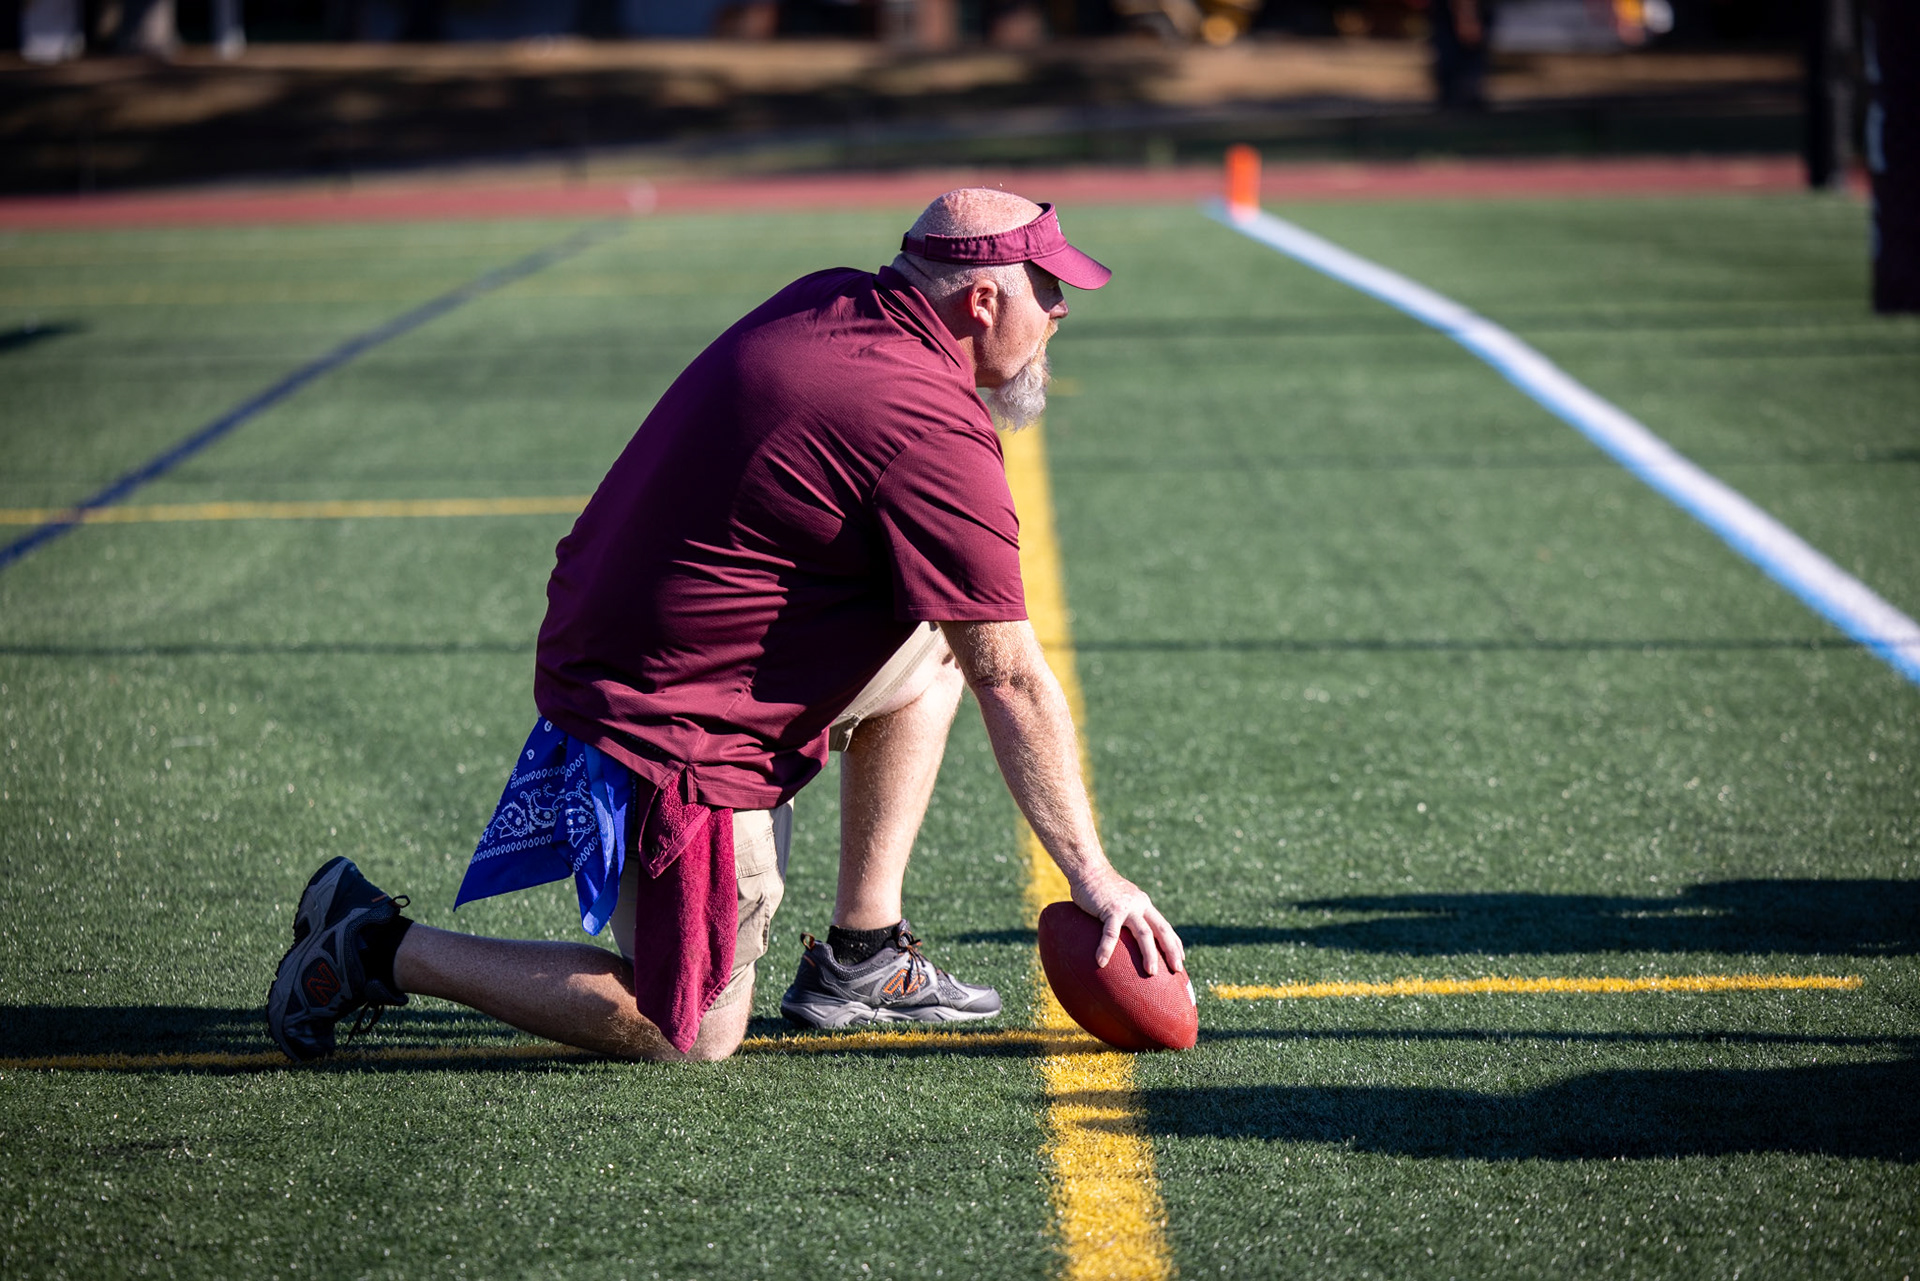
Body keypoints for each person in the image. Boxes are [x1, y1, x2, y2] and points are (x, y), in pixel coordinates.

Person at [265, 189, 1185, 1064]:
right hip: (669, 716)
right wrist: (1094, 876)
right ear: (982, 300)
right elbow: (1013, 680)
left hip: (634, 639)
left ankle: (862, 952)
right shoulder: (929, 421)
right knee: (690, 1030)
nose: (1061, 310)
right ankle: (379, 943)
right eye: (1048, 287)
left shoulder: (834, 296)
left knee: (941, 634)